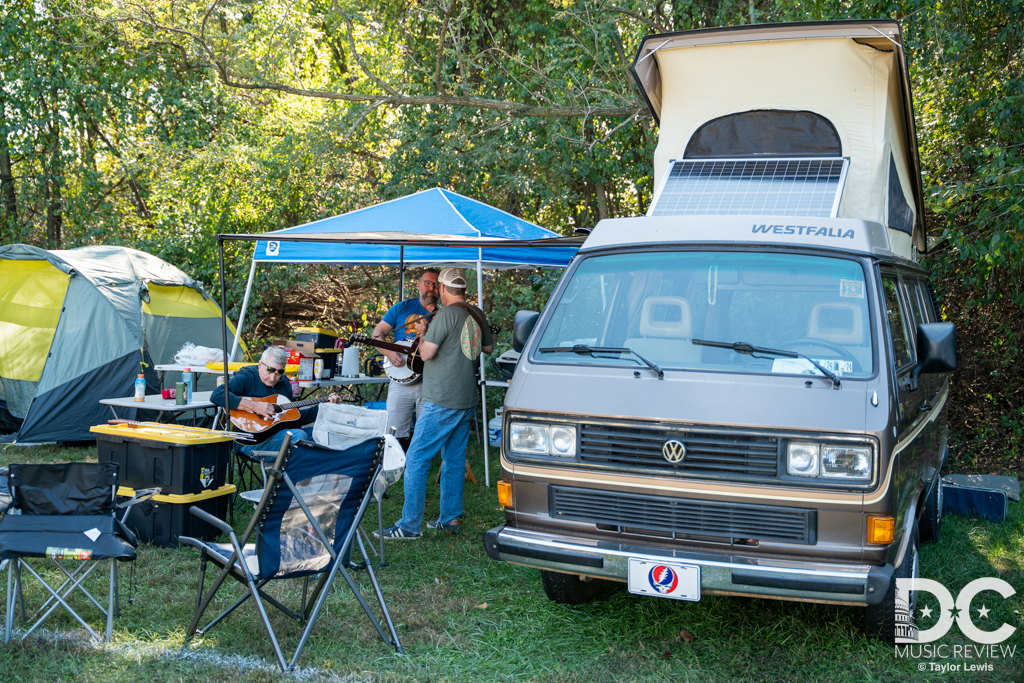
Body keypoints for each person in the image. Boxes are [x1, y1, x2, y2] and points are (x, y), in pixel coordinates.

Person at [378, 267, 492, 539]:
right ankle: (449, 518)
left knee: (416, 457)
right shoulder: (476, 313)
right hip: (466, 397)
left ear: (442, 288)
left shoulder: (445, 314)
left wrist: (423, 331)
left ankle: (409, 526)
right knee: (453, 458)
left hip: (442, 398)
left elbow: (426, 353)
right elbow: (487, 348)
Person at [212, 346, 343, 457]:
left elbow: (293, 418)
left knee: (324, 433)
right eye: (270, 370)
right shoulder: (247, 377)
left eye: (279, 372)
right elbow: (217, 395)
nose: (273, 377)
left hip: (278, 435)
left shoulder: (284, 384)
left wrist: (323, 407)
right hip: (249, 441)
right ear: (260, 365)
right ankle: (287, 482)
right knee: (299, 436)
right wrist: (255, 406)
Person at [370, 268, 440, 453]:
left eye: (436, 284)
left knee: (426, 431)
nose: (431, 288)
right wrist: (389, 354)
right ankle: (395, 462)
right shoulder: (402, 308)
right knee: (395, 428)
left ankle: (419, 463)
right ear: (418, 285)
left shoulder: (445, 314)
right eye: (427, 283)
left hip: (432, 380)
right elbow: (377, 334)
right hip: (401, 379)